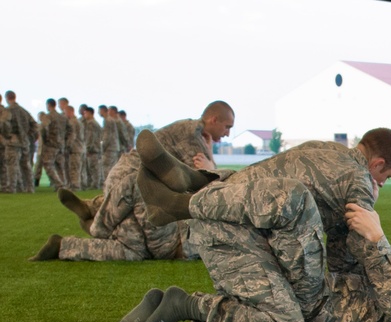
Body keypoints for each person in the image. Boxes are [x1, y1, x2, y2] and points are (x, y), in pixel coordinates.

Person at [105, 126, 391, 322]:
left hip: (318, 302)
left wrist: (377, 242)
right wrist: (370, 245)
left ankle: (199, 193)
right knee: (297, 197)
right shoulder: (353, 173)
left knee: (288, 319)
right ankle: (200, 189)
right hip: (312, 285)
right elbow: (347, 262)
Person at [30, 101, 237, 262]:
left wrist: (209, 157)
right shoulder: (192, 135)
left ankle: (84, 219)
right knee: (137, 223)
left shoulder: (195, 134)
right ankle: (96, 223)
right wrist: (210, 161)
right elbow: (205, 182)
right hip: (136, 186)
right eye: (227, 127)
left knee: (134, 248)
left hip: (142, 195)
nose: (227, 134)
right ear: (214, 120)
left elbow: (204, 180)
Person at [5, 91, 38, 192]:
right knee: (26, 165)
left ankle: (12, 187)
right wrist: (28, 135)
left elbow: (3, 125)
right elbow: (34, 125)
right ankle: (30, 187)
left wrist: (7, 136)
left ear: (7, 98)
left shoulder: (7, 111)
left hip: (13, 141)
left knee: (12, 165)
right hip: (25, 141)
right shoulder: (24, 111)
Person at [37, 98, 66, 190]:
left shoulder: (48, 116)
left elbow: (43, 128)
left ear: (48, 105)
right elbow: (70, 130)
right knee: (59, 166)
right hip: (61, 145)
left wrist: (45, 140)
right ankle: (63, 184)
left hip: (51, 145)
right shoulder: (62, 117)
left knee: (48, 164)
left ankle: (59, 184)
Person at [80, 105, 102, 189]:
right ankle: (92, 184)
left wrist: (88, 148)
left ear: (90, 113)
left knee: (93, 168)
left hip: (93, 149)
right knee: (91, 168)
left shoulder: (91, 123)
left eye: (85, 113)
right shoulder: (93, 123)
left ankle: (95, 184)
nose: (84, 115)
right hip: (95, 148)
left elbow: (90, 137)